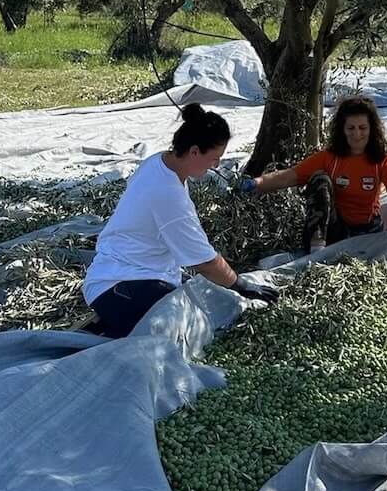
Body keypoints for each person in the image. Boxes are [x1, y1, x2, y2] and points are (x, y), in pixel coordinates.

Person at [82, 103, 276, 338]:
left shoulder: (159, 161)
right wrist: (240, 285)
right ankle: (108, 329)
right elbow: (205, 262)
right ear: (194, 151)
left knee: (201, 296)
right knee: (189, 325)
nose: (215, 166)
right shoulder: (167, 193)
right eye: (214, 158)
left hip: (139, 272)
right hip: (118, 284)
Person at [241, 95, 387, 254]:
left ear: (372, 129)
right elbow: (290, 176)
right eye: (351, 128)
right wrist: (256, 183)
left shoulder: (383, 161)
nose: (357, 134)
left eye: (363, 127)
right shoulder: (329, 158)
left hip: (367, 229)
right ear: (342, 129)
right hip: (334, 229)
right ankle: (317, 249)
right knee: (320, 179)